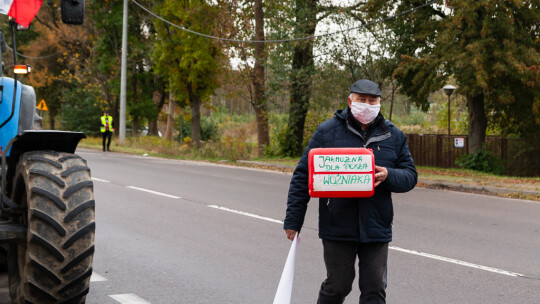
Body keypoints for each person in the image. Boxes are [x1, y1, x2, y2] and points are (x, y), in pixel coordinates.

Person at [284, 79, 417, 304]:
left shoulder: (393, 136)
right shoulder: (327, 132)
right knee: (337, 286)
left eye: (372, 101)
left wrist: (388, 175)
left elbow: (410, 176)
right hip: (337, 225)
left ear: (379, 104)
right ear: (350, 100)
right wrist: (293, 221)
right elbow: (302, 176)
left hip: (376, 226)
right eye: (361, 100)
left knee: (375, 290)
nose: (366, 105)